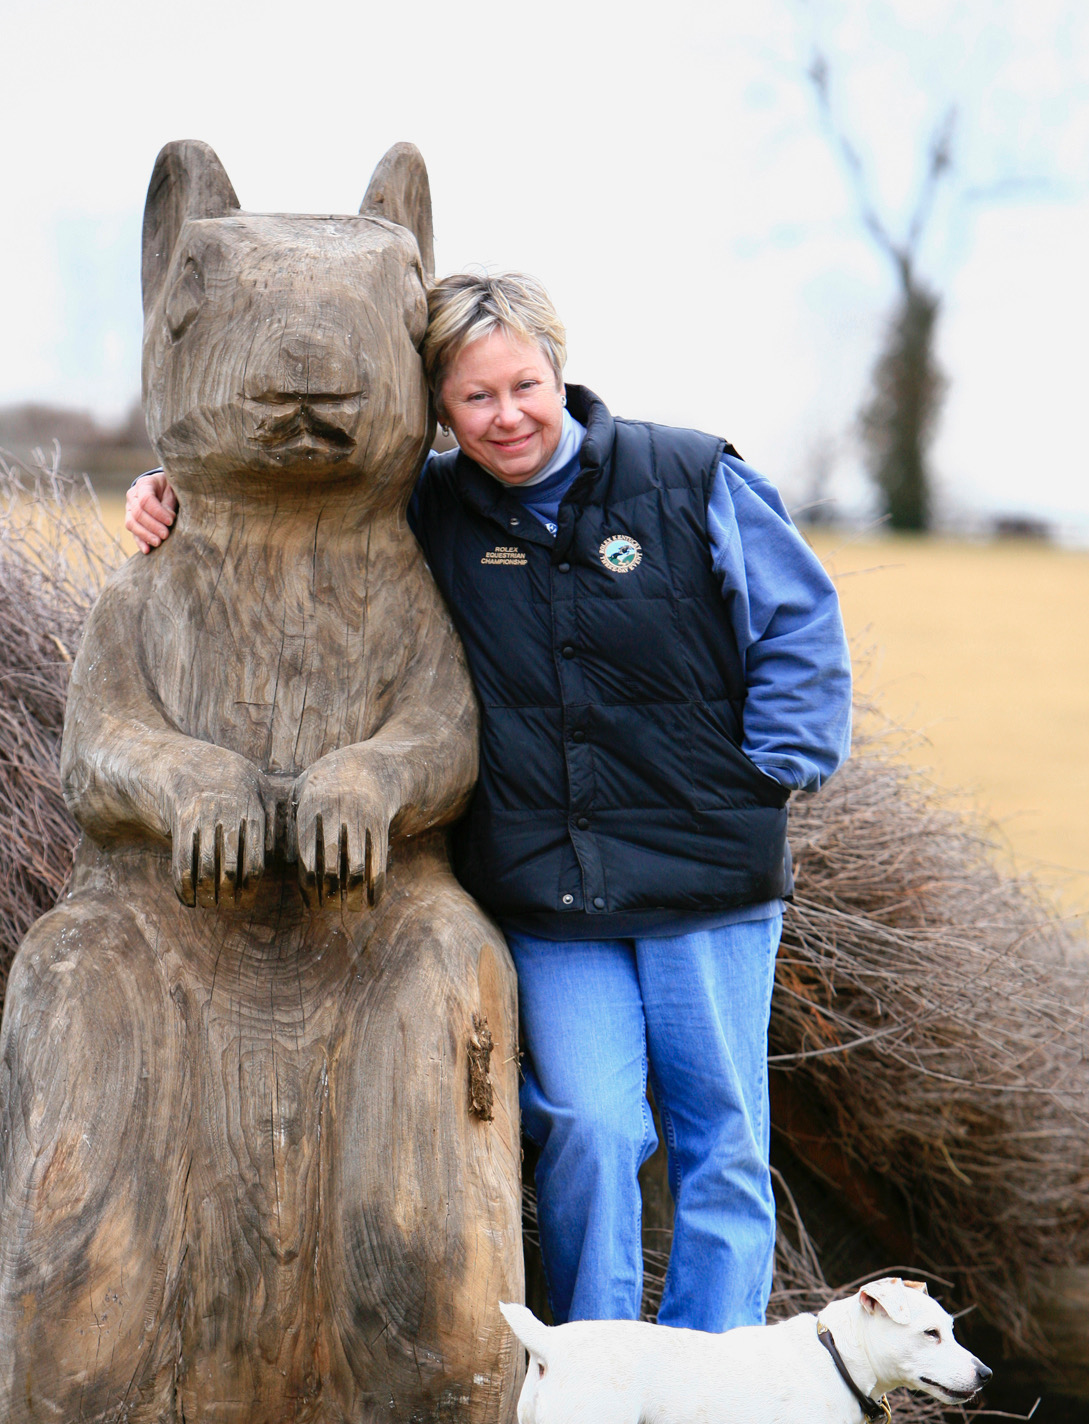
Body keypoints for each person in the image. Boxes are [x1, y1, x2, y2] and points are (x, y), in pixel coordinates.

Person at [126, 271, 852, 1336]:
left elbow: (798, 625)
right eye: (474, 397)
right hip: (551, 890)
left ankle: (711, 1393)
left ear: (559, 371)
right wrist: (172, 491)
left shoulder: (688, 473)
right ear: (438, 408)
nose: (506, 415)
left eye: (525, 384)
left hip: (707, 877)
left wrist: (770, 772)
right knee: (593, 1129)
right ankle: (595, 1386)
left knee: (720, 1137)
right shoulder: (423, 504)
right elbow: (292, 509)